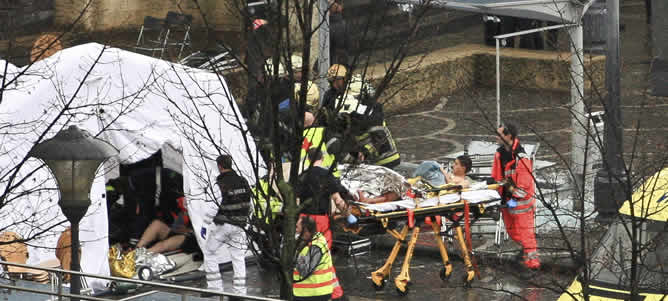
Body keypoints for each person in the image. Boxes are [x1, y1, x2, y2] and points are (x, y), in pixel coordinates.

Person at [296, 148, 355, 300]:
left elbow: (295, 201)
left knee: (304, 254)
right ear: (322, 158)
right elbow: (338, 201)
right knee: (324, 256)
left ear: (308, 159)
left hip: (303, 219)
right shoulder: (326, 176)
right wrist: (349, 216)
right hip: (321, 220)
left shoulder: (302, 176)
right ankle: (336, 293)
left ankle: (308, 285)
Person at [491, 123, 540, 276]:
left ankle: (533, 265)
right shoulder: (500, 154)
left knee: (526, 235)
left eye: (499, 135)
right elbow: (497, 178)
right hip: (508, 202)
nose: (496, 137)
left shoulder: (522, 157)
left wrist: (510, 199)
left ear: (508, 136)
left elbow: (523, 187)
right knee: (513, 233)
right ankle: (527, 253)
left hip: (521, 204)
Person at [203, 155, 251, 299]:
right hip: (240, 225)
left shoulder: (220, 183)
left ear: (219, 166)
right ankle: (240, 293)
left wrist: (205, 223)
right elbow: (250, 203)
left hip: (224, 224)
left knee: (209, 251)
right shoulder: (243, 181)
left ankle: (215, 287)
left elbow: (213, 205)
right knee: (238, 257)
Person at [293, 216, 335, 301]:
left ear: (305, 230)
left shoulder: (316, 246)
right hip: (312, 293)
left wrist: (296, 253)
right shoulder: (311, 241)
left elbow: (305, 271)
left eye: (297, 227)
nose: (296, 230)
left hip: (313, 294)